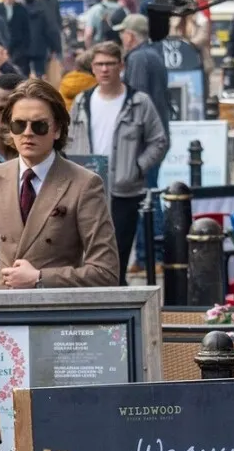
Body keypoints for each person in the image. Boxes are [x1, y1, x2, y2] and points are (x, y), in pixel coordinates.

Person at [0, 80, 119, 290]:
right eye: (19, 125)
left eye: (39, 126)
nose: (28, 133)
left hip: (53, 306)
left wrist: (39, 277)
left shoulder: (84, 184)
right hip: (3, 307)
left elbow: (106, 272)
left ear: (57, 130)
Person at [66, 42, 169, 282]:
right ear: (92, 67)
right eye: (99, 64)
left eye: (110, 64)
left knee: (119, 254)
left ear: (121, 66)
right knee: (88, 253)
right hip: (87, 188)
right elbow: (69, 139)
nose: (105, 69)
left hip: (125, 189)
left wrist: (137, 167)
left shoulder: (139, 101)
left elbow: (158, 141)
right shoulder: (82, 101)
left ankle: (117, 295)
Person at [119, 14, 171, 126]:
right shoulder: (153, 53)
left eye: (122, 33)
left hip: (146, 129)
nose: (121, 37)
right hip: (157, 125)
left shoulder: (138, 58)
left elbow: (137, 97)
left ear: (130, 36)